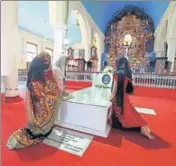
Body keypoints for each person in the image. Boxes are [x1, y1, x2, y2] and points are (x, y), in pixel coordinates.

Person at [6, 52, 62, 149]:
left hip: (34, 125)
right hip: (44, 127)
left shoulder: (32, 81)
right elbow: (57, 94)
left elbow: (28, 105)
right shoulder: (50, 82)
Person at [109, 56, 154, 140]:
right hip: (125, 101)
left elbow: (114, 93)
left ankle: (140, 129)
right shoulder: (127, 75)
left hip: (119, 103)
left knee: (115, 125)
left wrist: (108, 100)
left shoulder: (117, 74)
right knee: (128, 117)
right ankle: (141, 128)